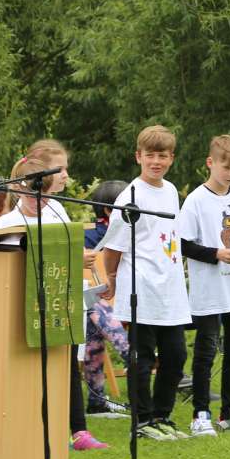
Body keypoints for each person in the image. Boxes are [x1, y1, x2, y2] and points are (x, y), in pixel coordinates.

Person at [0, 140, 108, 452]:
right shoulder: (7, 223)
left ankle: (78, 430)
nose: (40, 201)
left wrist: (79, 256)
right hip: (26, 306)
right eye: (35, 195)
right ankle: (29, 427)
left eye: (43, 194)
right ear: (19, 189)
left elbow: (64, 250)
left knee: (68, 364)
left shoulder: (55, 209)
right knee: (31, 369)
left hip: (59, 300)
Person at [98, 125, 192, 442]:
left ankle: (163, 415)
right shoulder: (131, 196)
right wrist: (109, 280)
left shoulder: (170, 191)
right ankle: (143, 418)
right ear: (138, 157)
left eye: (162, 156)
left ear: (171, 159)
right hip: (140, 286)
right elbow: (114, 246)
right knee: (142, 356)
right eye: (150, 155)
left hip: (170, 288)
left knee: (176, 355)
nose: (156, 161)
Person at [176, 135, 230, 436]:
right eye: (226, 167)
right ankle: (200, 413)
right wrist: (216, 254)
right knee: (206, 350)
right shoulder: (196, 200)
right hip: (210, 289)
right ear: (210, 163)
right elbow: (183, 244)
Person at [81, 180, 132, 421]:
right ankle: (131, 354)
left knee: (94, 318)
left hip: (127, 302)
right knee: (94, 311)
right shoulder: (90, 238)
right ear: (109, 211)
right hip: (99, 302)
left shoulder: (135, 234)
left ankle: (97, 401)